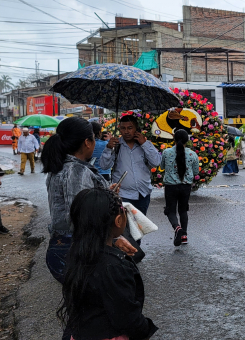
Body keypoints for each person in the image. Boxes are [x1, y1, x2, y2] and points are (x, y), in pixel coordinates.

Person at [42, 117, 135, 283]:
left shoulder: (61, 166)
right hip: (79, 248)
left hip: (64, 245)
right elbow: (81, 215)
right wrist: (114, 239)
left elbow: (80, 201)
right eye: (93, 138)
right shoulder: (76, 171)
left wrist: (104, 194)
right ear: (87, 142)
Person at [57, 188, 158, 340]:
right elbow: (127, 317)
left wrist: (114, 243)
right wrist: (144, 329)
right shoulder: (114, 267)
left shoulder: (77, 253)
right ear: (118, 221)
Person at [99, 114, 162, 262]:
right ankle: (125, 258)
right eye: (123, 128)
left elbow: (156, 162)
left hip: (142, 194)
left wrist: (145, 144)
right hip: (123, 194)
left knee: (137, 228)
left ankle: (133, 255)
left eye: (130, 128)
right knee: (123, 228)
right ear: (119, 129)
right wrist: (108, 148)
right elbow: (104, 166)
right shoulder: (116, 145)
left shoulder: (144, 144)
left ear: (136, 129)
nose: (126, 131)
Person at [162, 130, 199, 246]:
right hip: (185, 187)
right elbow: (196, 171)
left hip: (170, 186)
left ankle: (177, 228)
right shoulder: (193, 154)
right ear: (187, 140)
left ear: (173, 139)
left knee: (170, 210)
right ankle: (184, 236)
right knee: (183, 210)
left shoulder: (166, 152)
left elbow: (162, 166)